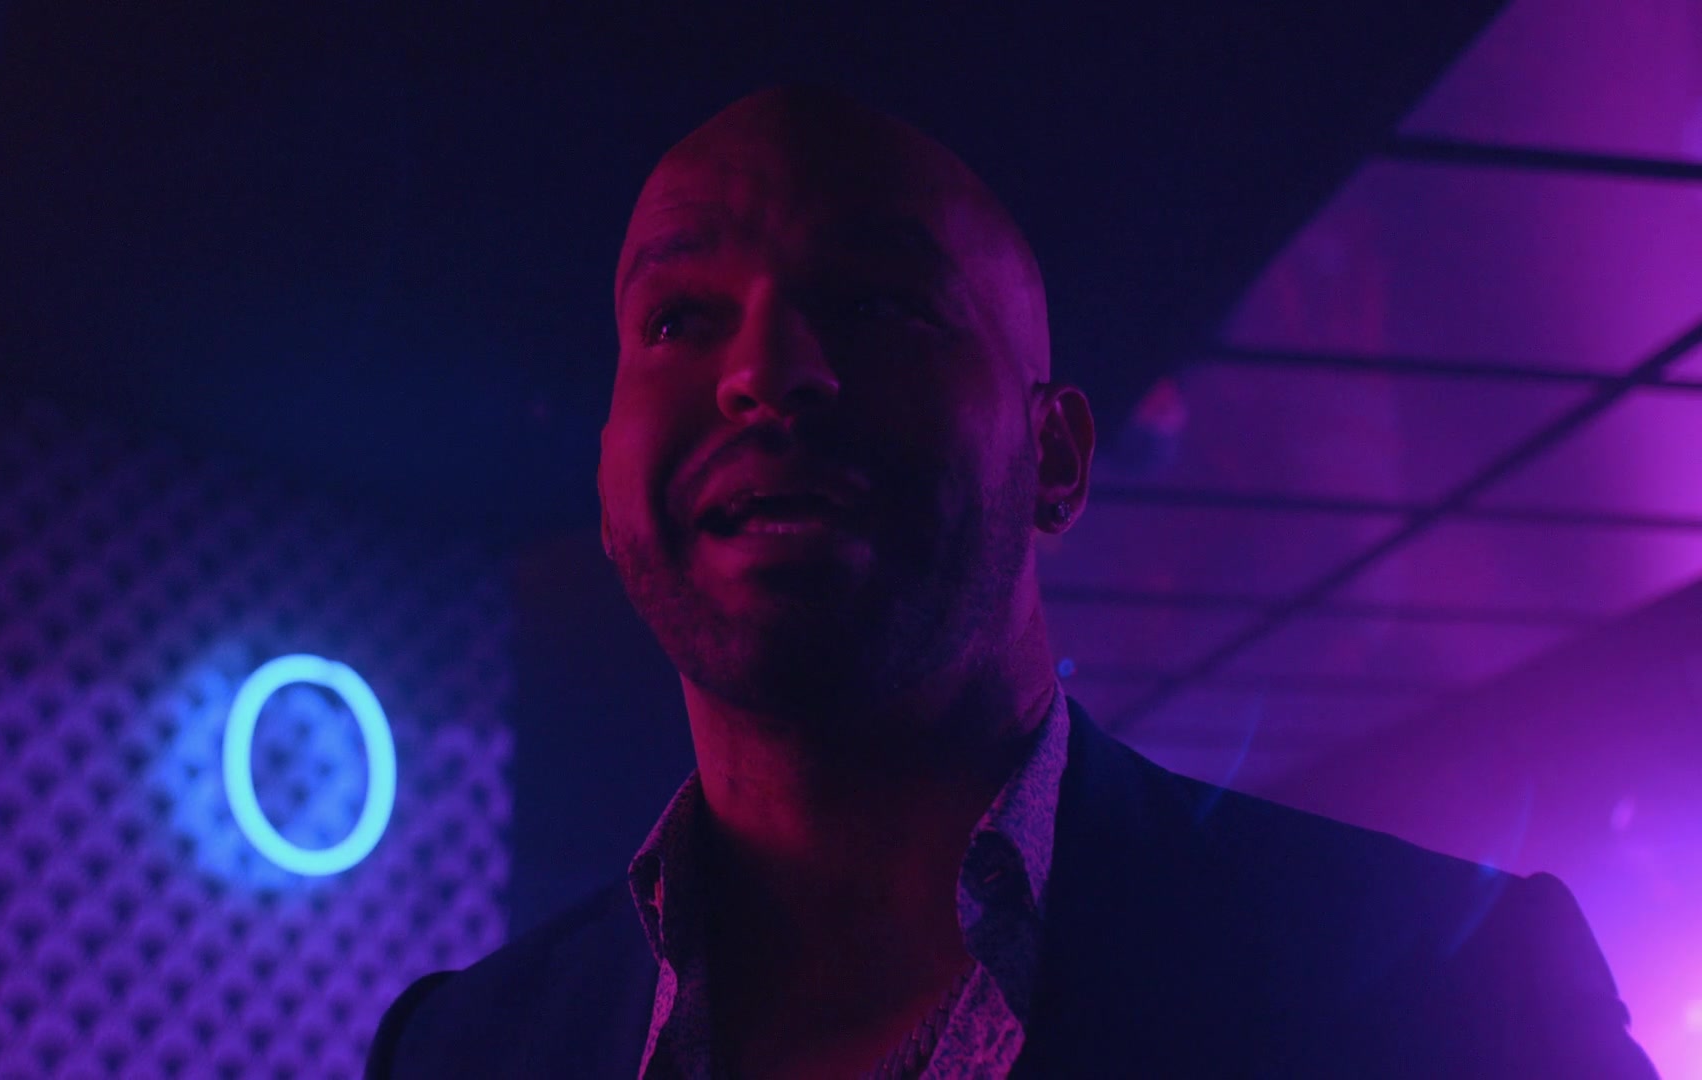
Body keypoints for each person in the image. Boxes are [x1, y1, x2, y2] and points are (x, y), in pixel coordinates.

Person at [367, 85, 1657, 1079]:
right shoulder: (460, 1054)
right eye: (677, 321)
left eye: (878, 306)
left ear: (1055, 457)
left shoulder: (1450, 998)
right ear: (607, 481)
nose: (765, 371)